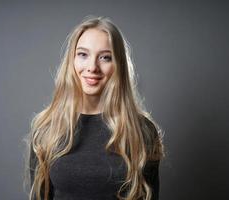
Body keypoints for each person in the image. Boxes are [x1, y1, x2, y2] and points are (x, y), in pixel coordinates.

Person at [24, 15, 164, 200]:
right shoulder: (47, 128)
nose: (92, 67)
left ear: (118, 65)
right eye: (83, 54)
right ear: (71, 61)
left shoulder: (142, 131)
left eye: (105, 57)